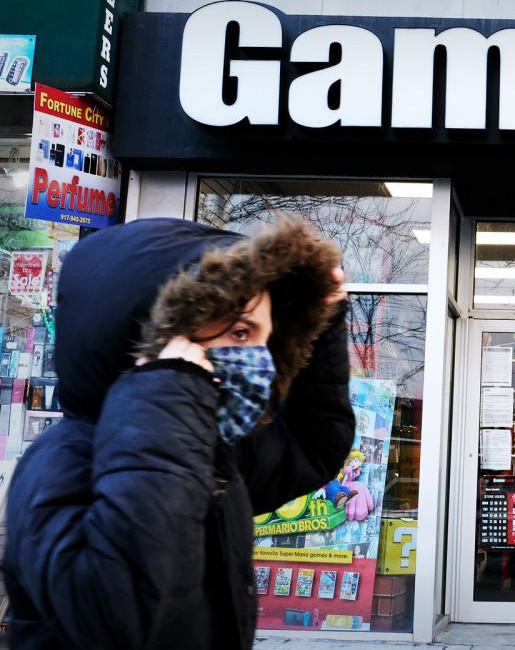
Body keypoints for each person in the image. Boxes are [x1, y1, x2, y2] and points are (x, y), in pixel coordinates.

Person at [2, 216, 356, 649]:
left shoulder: (204, 448)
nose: (260, 358)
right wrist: (166, 390)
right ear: (159, 330)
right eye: (240, 332)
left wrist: (321, 324)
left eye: (265, 337)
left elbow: (310, 447)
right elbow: (115, 619)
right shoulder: (61, 464)